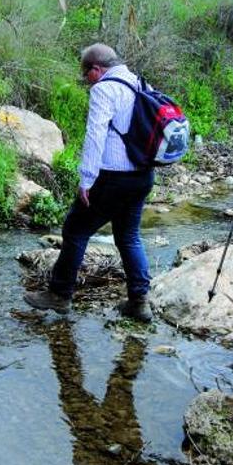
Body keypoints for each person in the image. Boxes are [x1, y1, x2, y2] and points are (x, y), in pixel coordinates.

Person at [24, 43, 154, 323]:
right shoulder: (140, 82)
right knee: (128, 236)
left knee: (75, 230)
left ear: (96, 69)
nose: (87, 82)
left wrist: (86, 180)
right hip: (143, 176)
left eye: (87, 75)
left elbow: (95, 137)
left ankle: (59, 295)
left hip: (113, 177)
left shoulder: (104, 89)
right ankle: (139, 302)